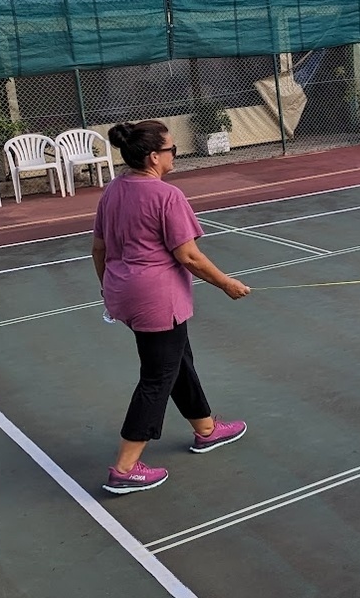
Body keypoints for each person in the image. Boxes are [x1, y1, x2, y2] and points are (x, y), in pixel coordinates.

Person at [92, 120, 251, 494]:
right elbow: (189, 256)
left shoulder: (113, 190)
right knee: (157, 376)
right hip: (156, 300)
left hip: (124, 293)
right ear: (153, 156)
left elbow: (99, 249)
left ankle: (206, 428)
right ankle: (125, 468)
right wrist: (227, 283)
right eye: (172, 150)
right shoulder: (167, 196)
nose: (174, 156)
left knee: (177, 360)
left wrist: (109, 289)